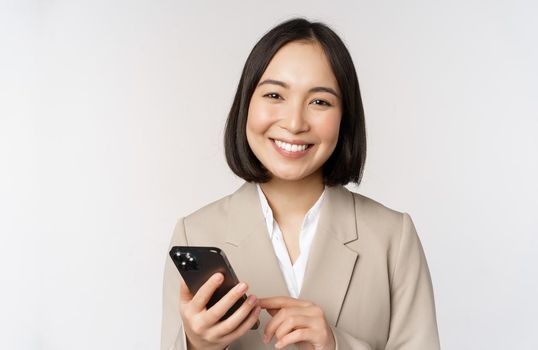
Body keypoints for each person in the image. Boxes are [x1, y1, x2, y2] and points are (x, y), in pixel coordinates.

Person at [160, 18, 440, 350]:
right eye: (275, 95)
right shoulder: (195, 233)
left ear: (345, 117)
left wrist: (336, 345)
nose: (294, 123)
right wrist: (198, 345)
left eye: (320, 101)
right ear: (246, 104)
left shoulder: (394, 237)